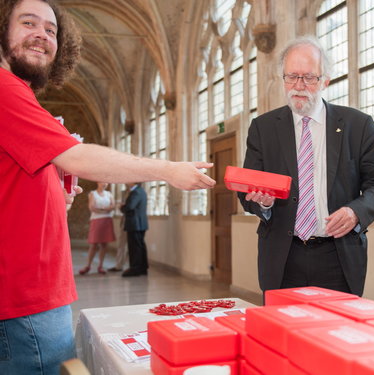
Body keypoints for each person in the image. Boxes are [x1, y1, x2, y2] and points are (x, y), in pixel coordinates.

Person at [0, 0, 215, 373]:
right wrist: (167, 169)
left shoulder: (17, 94)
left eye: (51, 30)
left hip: (34, 293)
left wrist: (56, 198)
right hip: (23, 300)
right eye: (28, 23)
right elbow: (76, 156)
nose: (42, 35)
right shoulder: (4, 88)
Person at [238, 35, 374, 298]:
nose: (299, 86)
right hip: (282, 258)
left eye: (309, 77)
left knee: (335, 335)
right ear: (283, 78)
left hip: (338, 257)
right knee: (282, 336)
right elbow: (247, 191)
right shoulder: (263, 128)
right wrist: (262, 202)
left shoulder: (358, 125)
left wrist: (355, 212)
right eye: (292, 76)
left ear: (325, 80)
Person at [79, 182, 116, 275]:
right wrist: (105, 209)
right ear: (98, 182)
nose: (104, 184)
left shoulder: (109, 194)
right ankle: (88, 265)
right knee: (93, 244)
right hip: (96, 220)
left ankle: (101, 266)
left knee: (104, 244)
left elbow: (113, 206)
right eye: (102, 182)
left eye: (106, 183)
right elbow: (92, 207)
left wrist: (100, 209)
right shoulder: (93, 194)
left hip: (107, 220)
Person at [120, 183, 149, 277]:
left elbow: (129, 207)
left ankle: (135, 268)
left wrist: (122, 207)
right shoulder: (142, 191)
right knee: (140, 246)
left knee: (134, 247)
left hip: (135, 224)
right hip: (140, 223)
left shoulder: (135, 192)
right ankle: (143, 268)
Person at [108, 189, 129, 272]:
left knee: (123, 245)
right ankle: (119, 265)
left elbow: (127, 207)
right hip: (126, 222)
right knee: (122, 245)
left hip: (129, 223)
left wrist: (122, 206)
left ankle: (119, 265)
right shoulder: (125, 192)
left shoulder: (135, 192)